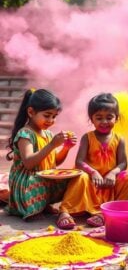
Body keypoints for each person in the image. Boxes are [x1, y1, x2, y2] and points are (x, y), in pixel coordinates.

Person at [57, 93, 128, 229]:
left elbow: (123, 163)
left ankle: (109, 213)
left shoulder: (119, 139)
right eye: (99, 118)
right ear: (91, 120)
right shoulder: (87, 137)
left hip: (110, 183)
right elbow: (79, 162)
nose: (104, 122)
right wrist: (93, 172)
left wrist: (112, 173)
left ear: (116, 118)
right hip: (92, 183)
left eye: (109, 117)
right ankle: (65, 211)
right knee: (80, 176)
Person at [5, 88, 77, 220]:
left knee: (74, 178)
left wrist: (66, 148)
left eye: (54, 116)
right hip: (27, 182)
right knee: (38, 181)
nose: (51, 120)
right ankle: (30, 207)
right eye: (47, 115)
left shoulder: (48, 134)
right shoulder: (25, 134)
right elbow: (28, 163)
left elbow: (55, 161)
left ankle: (47, 205)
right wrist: (52, 145)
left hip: (45, 177)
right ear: (31, 112)